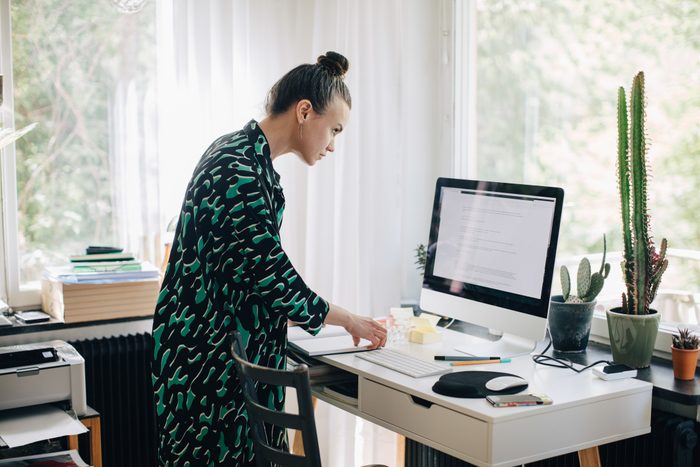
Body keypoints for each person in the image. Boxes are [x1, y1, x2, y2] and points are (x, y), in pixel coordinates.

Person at [152, 51, 387, 466]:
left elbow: (248, 274)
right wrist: (348, 319)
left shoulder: (242, 155)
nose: (333, 145)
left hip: (216, 346)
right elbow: (273, 278)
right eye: (333, 130)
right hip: (207, 362)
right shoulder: (238, 170)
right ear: (303, 111)